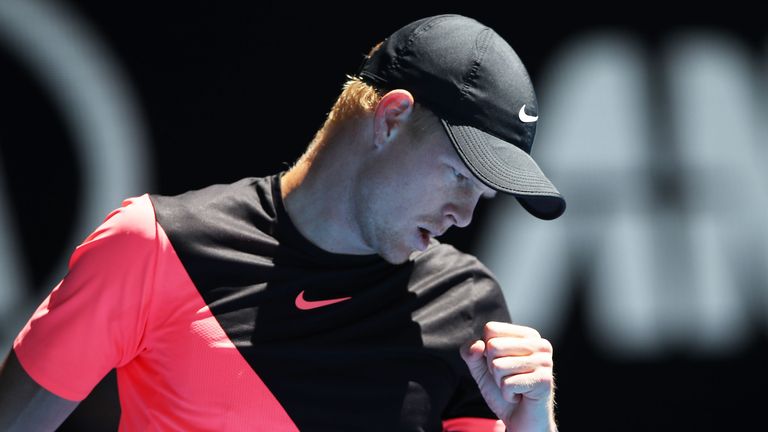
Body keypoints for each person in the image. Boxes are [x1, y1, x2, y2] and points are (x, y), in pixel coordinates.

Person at [0, 14, 565, 431]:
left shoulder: (467, 306)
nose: (464, 216)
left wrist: (530, 421)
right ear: (392, 118)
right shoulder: (152, 246)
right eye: (461, 176)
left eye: (483, 195)